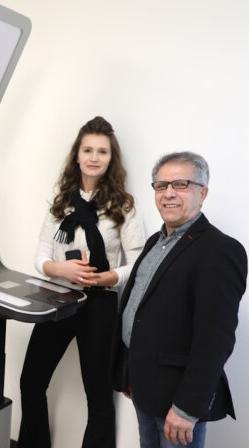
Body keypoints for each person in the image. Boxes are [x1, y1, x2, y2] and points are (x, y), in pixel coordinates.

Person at [18, 116, 146, 448]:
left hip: (101, 304)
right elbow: (40, 256)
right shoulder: (61, 204)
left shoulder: (124, 206)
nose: (93, 157)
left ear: (110, 158)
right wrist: (61, 270)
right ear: (77, 155)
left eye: (102, 151)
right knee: (31, 381)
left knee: (99, 395)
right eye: (87, 149)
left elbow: (139, 263)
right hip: (60, 298)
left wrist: (111, 276)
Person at [110, 152, 247, 448]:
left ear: (203, 192)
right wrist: (130, 373)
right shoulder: (155, 242)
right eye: (161, 186)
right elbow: (142, 310)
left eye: (181, 184)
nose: (168, 193)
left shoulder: (219, 251)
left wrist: (187, 408)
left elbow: (216, 340)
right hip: (144, 387)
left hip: (178, 402)